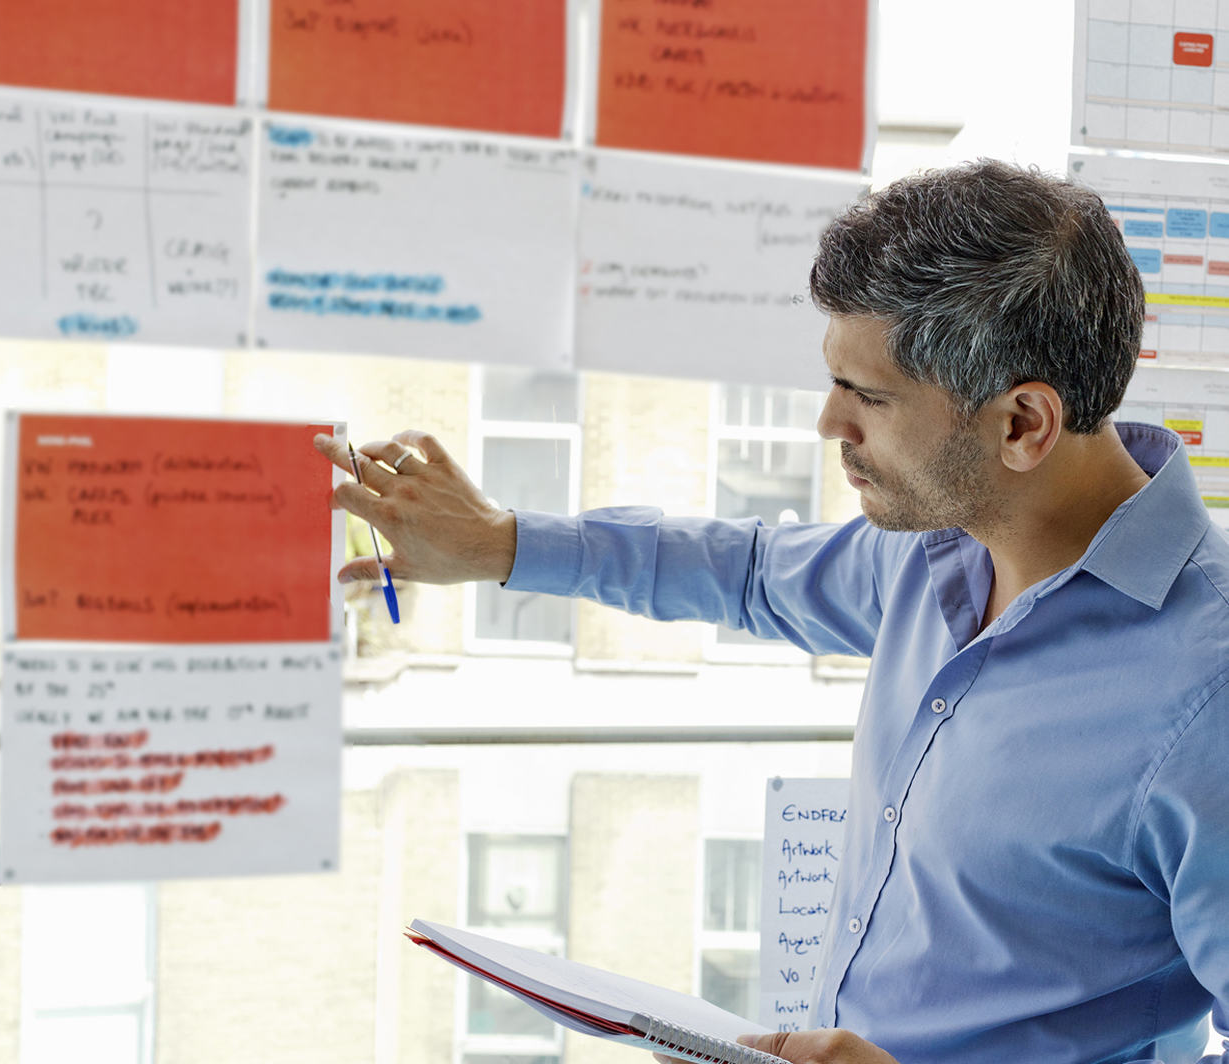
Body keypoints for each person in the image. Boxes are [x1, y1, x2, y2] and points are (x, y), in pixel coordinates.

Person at [314, 160, 1229, 1064]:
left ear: (1023, 424)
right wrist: (501, 544)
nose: (830, 426)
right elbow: (747, 571)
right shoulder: (937, 552)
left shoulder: (1205, 699)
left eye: (867, 397)